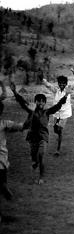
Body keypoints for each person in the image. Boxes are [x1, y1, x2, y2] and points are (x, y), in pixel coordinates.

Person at [10, 82, 68, 184]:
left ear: (45, 103)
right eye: (38, 101)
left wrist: (66, 95)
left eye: (42, 101)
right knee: (33, 155)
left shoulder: (47, 112)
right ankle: (35, 161)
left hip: (43, 137)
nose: (40, 103)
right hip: (32, 137)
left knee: (41, 155)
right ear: (35, 102)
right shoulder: (31, 111)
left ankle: (41, 177)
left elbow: (58, 105)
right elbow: (22, 103)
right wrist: (14, 92)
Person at [0, 81, 31, 222]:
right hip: (2, 162)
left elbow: (23, 126)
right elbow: (24, 126)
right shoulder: (4, 123)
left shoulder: (5, 124)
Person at [42, 71, 74, 156]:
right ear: (58, 83)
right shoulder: (56, 90)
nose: (61, 85)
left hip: (64, 114)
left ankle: (58, 150)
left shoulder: (68, 90)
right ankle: (59, 135)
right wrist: (42, 79)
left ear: (66, 84)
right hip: (56, 113)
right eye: (60, 83)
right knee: (55, 129)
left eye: (63, 83)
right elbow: (48, 85)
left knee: (59, 130)